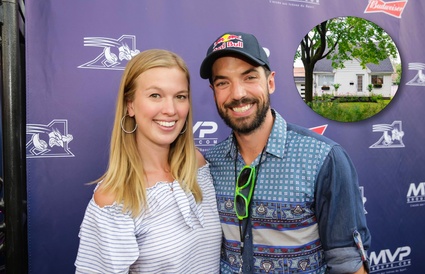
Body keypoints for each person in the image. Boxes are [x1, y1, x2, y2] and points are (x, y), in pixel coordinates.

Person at [199, 32, 371, 273]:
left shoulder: (323, 158)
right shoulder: (209, 164)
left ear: (270, 82)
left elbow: (348, 264)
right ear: (213, 91)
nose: (237, 94)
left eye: (249, 77)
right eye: (222, 83)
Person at [75, 49, 221, 273]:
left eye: (180, 96)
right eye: (155, 95)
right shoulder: (114, 199)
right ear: (130, 105)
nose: (170, 110)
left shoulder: (197, 165)